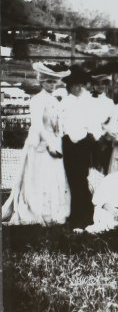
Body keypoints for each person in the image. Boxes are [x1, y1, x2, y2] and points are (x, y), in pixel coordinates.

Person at [2, 62, 71, 225]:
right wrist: (50, 145)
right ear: (41, 82)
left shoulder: (54, 100)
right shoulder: (37, 100)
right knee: (38, 177)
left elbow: (57, 124)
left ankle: (52, 213)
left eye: (54, 82)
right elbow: (38, 126)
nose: (52, 85)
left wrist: (59, 139)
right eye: (49, 82)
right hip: (39, 143)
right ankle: (35, 212)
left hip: (54, 142)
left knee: (53, 178)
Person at [60, 65, 97, 228]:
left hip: (83, 145)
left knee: (82, 178)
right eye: (75, 85)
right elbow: (65, 126)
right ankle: (75, 215)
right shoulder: (64, 103)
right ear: (69, 86)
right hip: (70, 144)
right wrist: (75, 136)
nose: (78, 88)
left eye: (80, 85)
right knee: (74, 180)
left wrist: (90, 135)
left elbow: (90, 123)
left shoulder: (84, 103)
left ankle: (84, 213)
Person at [89, 72, 116, 174]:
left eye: (103, 84)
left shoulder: (109, 102)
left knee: (104, 165)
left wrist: (106, 134)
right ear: (93, 85)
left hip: (104, 138)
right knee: (91, 166)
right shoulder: (87, 100)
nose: (100, 86)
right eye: (97, 84)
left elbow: (112, 120)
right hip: (90, 137)